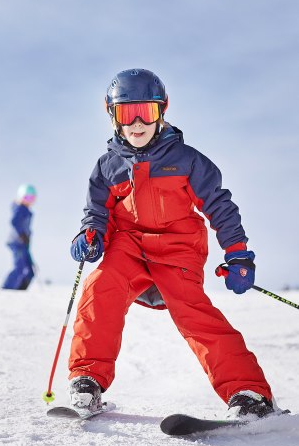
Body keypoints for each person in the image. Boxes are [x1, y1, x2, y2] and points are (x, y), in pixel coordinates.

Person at [67, 68, 281, 420]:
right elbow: (96, 212)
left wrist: (238, 253)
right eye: (126, 113)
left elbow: (219, 205)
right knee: (99, 288)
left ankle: (249, 392)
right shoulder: (108, 166)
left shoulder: (186, 160)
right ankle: (87, 380)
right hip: (129, 246)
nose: (137, 123)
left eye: (146, 112)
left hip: (178, 249)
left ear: (161, 112)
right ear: (112, 117)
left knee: (192, 312)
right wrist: (90, 234)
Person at [2, 184, 36, 290]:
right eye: (26, 197)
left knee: (30, 270)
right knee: (20, 267)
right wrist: (21, 234)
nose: (28, 200)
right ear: (20, 196)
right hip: (16, 242)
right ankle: (6, 288)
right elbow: (14, 221)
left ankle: (20, 289)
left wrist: (27, 236)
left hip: (23, 243)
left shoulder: (26, 210)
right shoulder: (20, 208)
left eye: (31, 198)